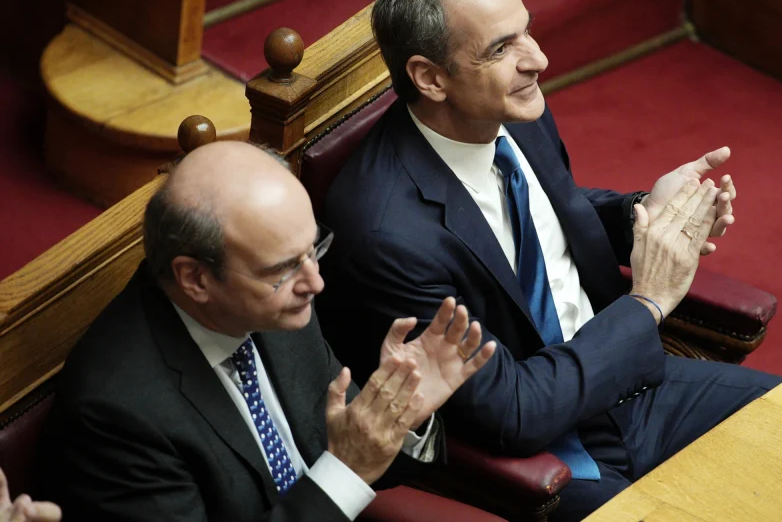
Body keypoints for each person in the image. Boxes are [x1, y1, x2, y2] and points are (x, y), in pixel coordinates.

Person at [318, 0, 782, 520]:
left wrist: (642, 213)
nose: (537, 59)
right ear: (430, 78)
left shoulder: (508, 108)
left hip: (631, 389)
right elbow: (514, 412)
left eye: (527, 32)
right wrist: (648, 303)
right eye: (501, 48)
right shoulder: (387, 237)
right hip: (546, 452)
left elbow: (548, 210)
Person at [37, 141, 495, 521]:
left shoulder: (276, 309)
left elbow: (351, 459)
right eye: (283, 269)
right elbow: (343, 473)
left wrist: (400, 414)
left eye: (313, 249)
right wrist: (347, 469)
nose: (315, 282)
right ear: (195, 279)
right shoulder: (117, 414)